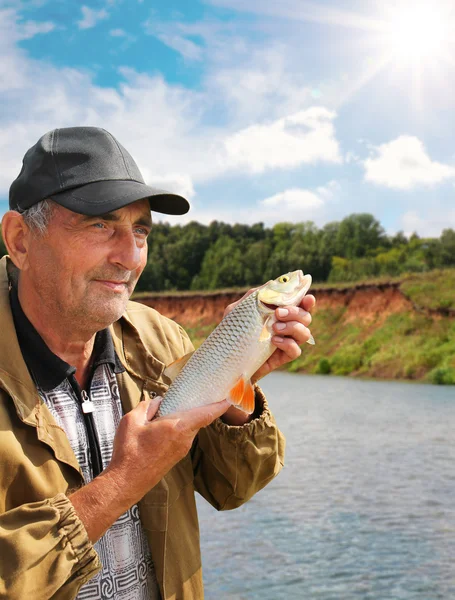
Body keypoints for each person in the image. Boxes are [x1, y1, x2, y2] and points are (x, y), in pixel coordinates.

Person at [0, 127, 315, 600]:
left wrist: (236, 385)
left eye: (141, 230)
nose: (130, 256)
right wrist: (125, 480)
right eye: (100, 225)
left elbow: (233, 488)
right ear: (21, 240)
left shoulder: (163, 340)